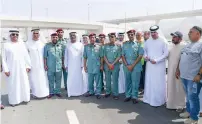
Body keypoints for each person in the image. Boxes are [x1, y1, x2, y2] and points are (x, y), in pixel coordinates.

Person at [177, 26, 202, 124]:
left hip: (193, 78)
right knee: (188, 96)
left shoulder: (200, 46)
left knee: (193, 97)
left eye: (191, 32)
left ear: (198, 34)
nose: (189, 33)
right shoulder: (187, 45)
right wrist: (177, 69)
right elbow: (182, 58)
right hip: (184, 76)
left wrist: (199, 74)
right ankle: (188, 111)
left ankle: (194, 118)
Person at [1, 30, 31, 106]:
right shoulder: (6, 45)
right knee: (13, 84)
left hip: (22, 68)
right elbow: (3, 59)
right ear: (10, 36)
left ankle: (25, 98)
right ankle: (14, 101)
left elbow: (26, 56)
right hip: (12, 69)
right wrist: (6, 69)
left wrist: (28, 66)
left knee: (24, 83)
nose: (15, 36)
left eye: (16, 35)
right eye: (13, 34)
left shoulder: (22, 44)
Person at [143, 25, 169, 107]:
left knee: (158, 83)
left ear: (158, 32)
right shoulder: (148, 41)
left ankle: (158, 100)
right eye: (152, 32)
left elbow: (166, 54)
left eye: (154, 32)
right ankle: (148, 99)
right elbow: (144, 51)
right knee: (149, 81)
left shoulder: (163, 41)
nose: (153, 34)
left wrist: (157, 60)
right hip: (149, 65)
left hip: (159, 66)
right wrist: (145, 56)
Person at [26, 29, 49, 98]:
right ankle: (35, 93)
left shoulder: (43, 43)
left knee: (43, 79)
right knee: (34, 79)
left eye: (37, 33)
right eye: (34, 33)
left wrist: (46, 64)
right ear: (32, 34)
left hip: (42, 65)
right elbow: (25, 56)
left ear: (39, 35)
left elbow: (46, 55)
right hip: (33, 65)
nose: (36, 35)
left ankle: (45, 93)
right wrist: (27, 66)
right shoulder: (27, 43)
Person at [122, 29, 144, 104]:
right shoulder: (125, 44)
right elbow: (122, 55)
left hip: (136, 65)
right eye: (129, 35)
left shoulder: (138, 44)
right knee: (128, 81)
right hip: (127, 65)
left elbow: (140, 56)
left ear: (134, 35)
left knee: (135, 82)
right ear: (127, 36)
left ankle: (134, 96)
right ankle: (128, 95)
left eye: (132, 34)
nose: (130, 36)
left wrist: (132, 65)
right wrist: (127, 65)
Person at [166, 31, 186, 111]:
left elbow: (183, 59)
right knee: (171, 86)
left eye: (175, 37)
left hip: (179, 71)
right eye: (172, 37)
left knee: (179, 88)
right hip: (170, 70)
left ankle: (180, 105)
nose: (173, 38)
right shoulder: (170, 46)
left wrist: (179, 69)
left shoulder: (184, 46)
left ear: (180, 39)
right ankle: (171, 103)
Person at [64, 32, 86, 97]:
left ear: (76, 36)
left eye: (74, 36)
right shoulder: (67, 45)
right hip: (70, 65)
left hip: (78, 65)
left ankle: (79, 92)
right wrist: (66, 65)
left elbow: (83, 56)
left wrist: (82, 65)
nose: (72, 37)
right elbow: (66, 56)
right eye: (71, 36)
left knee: (78, 78)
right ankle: (71, 92)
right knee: (71, 78)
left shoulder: (81, 45)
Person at [83, 33, 104, 99]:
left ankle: (98, 92)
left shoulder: (99, 46)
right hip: (90, 66)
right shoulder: (86, 47)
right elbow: (85, 57)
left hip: (97, 66)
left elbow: (101, 57)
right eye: (91, 38)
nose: (92, 39)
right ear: (89, 39)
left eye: (93, 37)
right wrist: (84, 66)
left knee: (98, 80)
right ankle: (91, 92)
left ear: (95, 38)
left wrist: (101, 65)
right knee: (90, 80)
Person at [44, 33, 64, 98]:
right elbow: (45, 57)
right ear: (51, 38)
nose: (54, 38)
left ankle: (58, 91)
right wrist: (45, 65)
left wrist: (63, 64)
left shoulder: (61, 46)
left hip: (59, 66)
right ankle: (51, 92)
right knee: (51, 80)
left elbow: (63, 56)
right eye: (53, 37)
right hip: (50, 66)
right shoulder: (47, 46)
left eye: (56, 37)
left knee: (58, 80)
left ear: (57, 38)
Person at [104, 33, 121, 100]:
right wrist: (108, 64)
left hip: (115, 65)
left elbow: (119, 56)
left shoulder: (118, 46)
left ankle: (115, 94)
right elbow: (104, 55)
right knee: (107, 79)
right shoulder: (106, 46)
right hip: (107, 65)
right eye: (110, 37)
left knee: (115, 80)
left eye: (112, 37)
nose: (111, 38)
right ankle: (108, 92)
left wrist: (112, 64)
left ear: (115, 38)